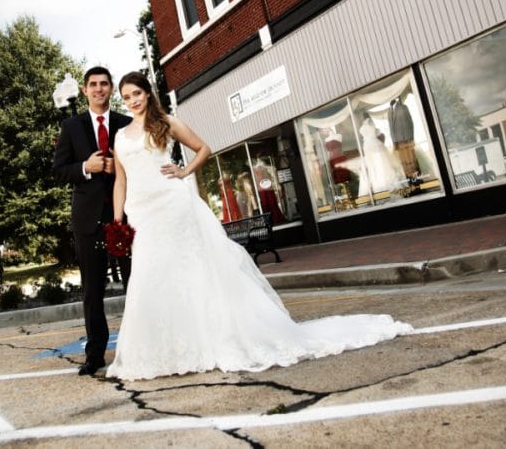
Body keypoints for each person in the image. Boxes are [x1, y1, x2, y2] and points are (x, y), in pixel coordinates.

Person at [106, 71, 411, 381]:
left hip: (173, 206)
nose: (132, 101)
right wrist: (117, 221)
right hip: (142, 215)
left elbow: (204, 148)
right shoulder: (119, 136)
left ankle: (210, 341)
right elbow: (120, 180)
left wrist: (184, 172)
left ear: (147, 94)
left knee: (191, 271)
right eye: (127, 96)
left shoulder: (166, 122)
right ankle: (163, 350)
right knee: (151, 274)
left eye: (137, 94)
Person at [52, 66, 132, 376]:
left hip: (123, 215)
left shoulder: (127, 124)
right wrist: (86, 166)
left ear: (111, 89)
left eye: (104, 84)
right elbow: (60, 171)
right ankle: (95, 354)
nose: (98, 89)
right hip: (87, 219)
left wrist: (117, 169)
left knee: (134, 282)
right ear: (85, 90)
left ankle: (142, 345)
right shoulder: (71, 126)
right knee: (93, 290)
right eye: (93, 85)